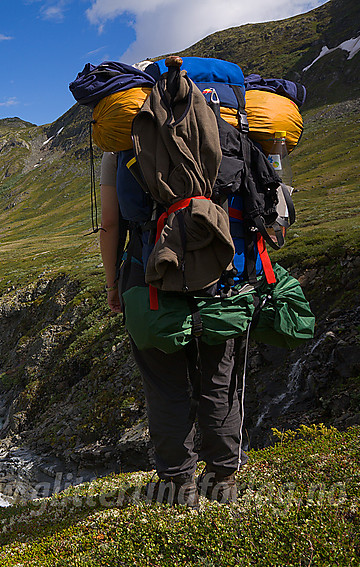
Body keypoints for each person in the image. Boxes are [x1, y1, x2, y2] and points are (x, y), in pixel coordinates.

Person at [100, 151, 244, 508]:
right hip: (222, 278)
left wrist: (111, 284)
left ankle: (180, 488)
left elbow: (111, 225)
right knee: (220, 378)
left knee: (165, 386)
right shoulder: (224, 126)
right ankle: (223, 480)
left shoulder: (120, 146)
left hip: (149, 281)